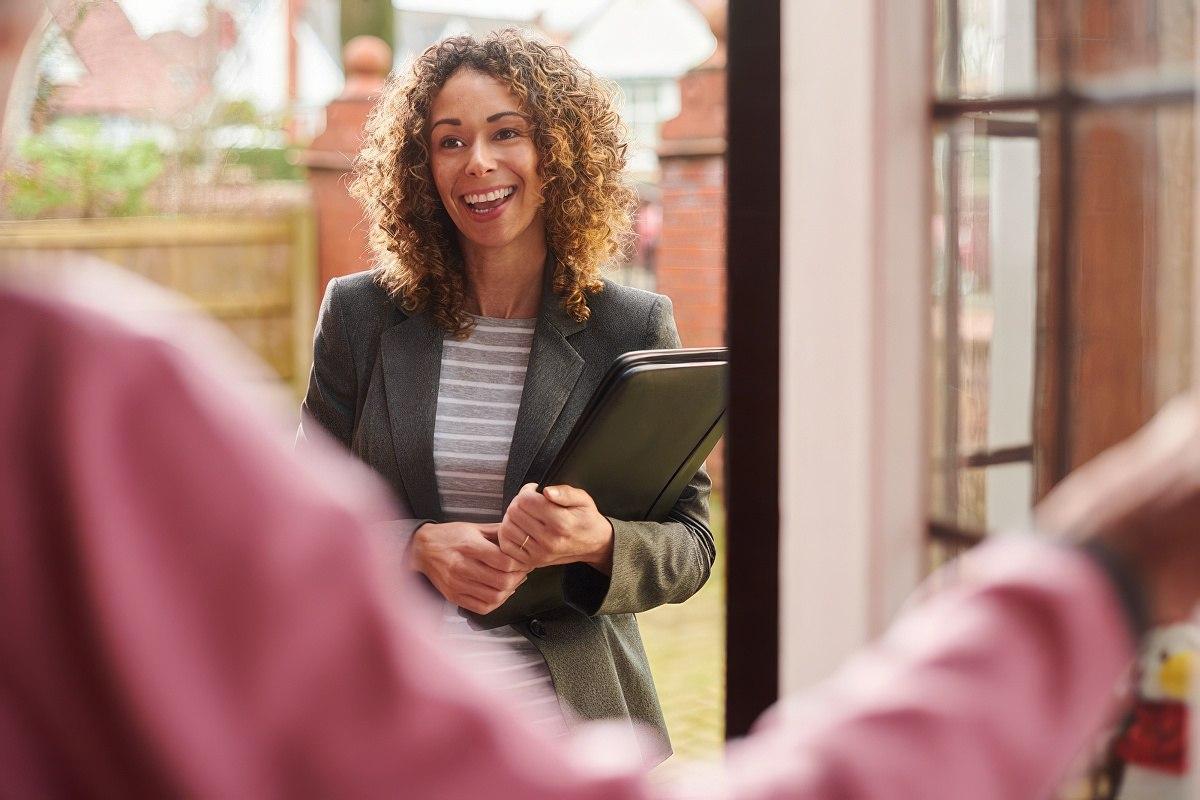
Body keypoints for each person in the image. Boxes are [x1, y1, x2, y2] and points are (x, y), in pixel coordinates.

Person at [299, 29, 713, 751]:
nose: (478, 163)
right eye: (450, 141)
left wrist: (600, 542)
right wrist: (415, 546)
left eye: (507, 133)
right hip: (392, 732)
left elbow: (692, 544)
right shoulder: (360, 316)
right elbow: (297, 518)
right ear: (421, 166)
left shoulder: (631, 323)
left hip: (569, 744)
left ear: (557, 152)